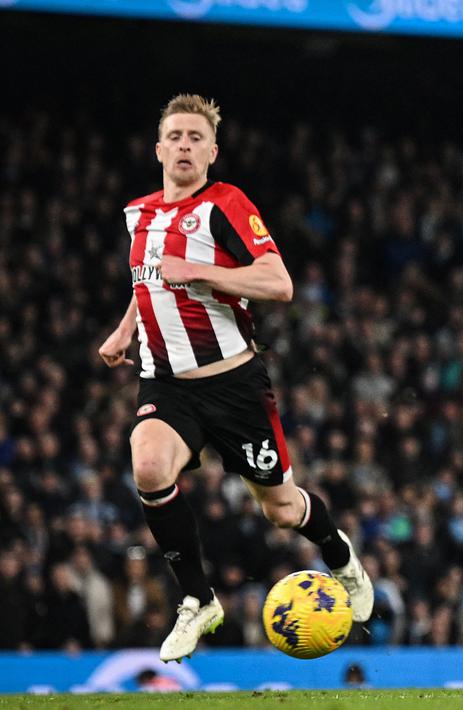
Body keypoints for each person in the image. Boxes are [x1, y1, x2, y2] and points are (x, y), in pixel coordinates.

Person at [97, 94, 373, 662]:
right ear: (158, 148)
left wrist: (199, 269)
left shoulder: (225, 204)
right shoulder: (137, 214)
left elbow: (279, 283)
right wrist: (125, 329)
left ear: (212, 151)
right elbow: (148, 281)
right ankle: (199, 600)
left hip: (234, 386)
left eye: (196, 138)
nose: (184, 145)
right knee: (147, 464)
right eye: (174, 136)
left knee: (281, 511)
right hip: (165, 383)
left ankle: (338, 552)